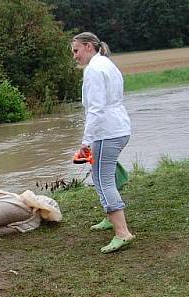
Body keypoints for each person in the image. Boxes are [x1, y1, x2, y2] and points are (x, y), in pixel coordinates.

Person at [72, 32, 134, 254]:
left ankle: (122, 233)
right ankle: (110, 218)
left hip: (107, 131)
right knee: (103, 174)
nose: (75, 56)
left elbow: (96, 109)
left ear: (89, 47)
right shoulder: (106, 64)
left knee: (102, 179)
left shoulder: (94, 70)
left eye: (76, 51)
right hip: (118, 127)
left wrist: (85, 142)